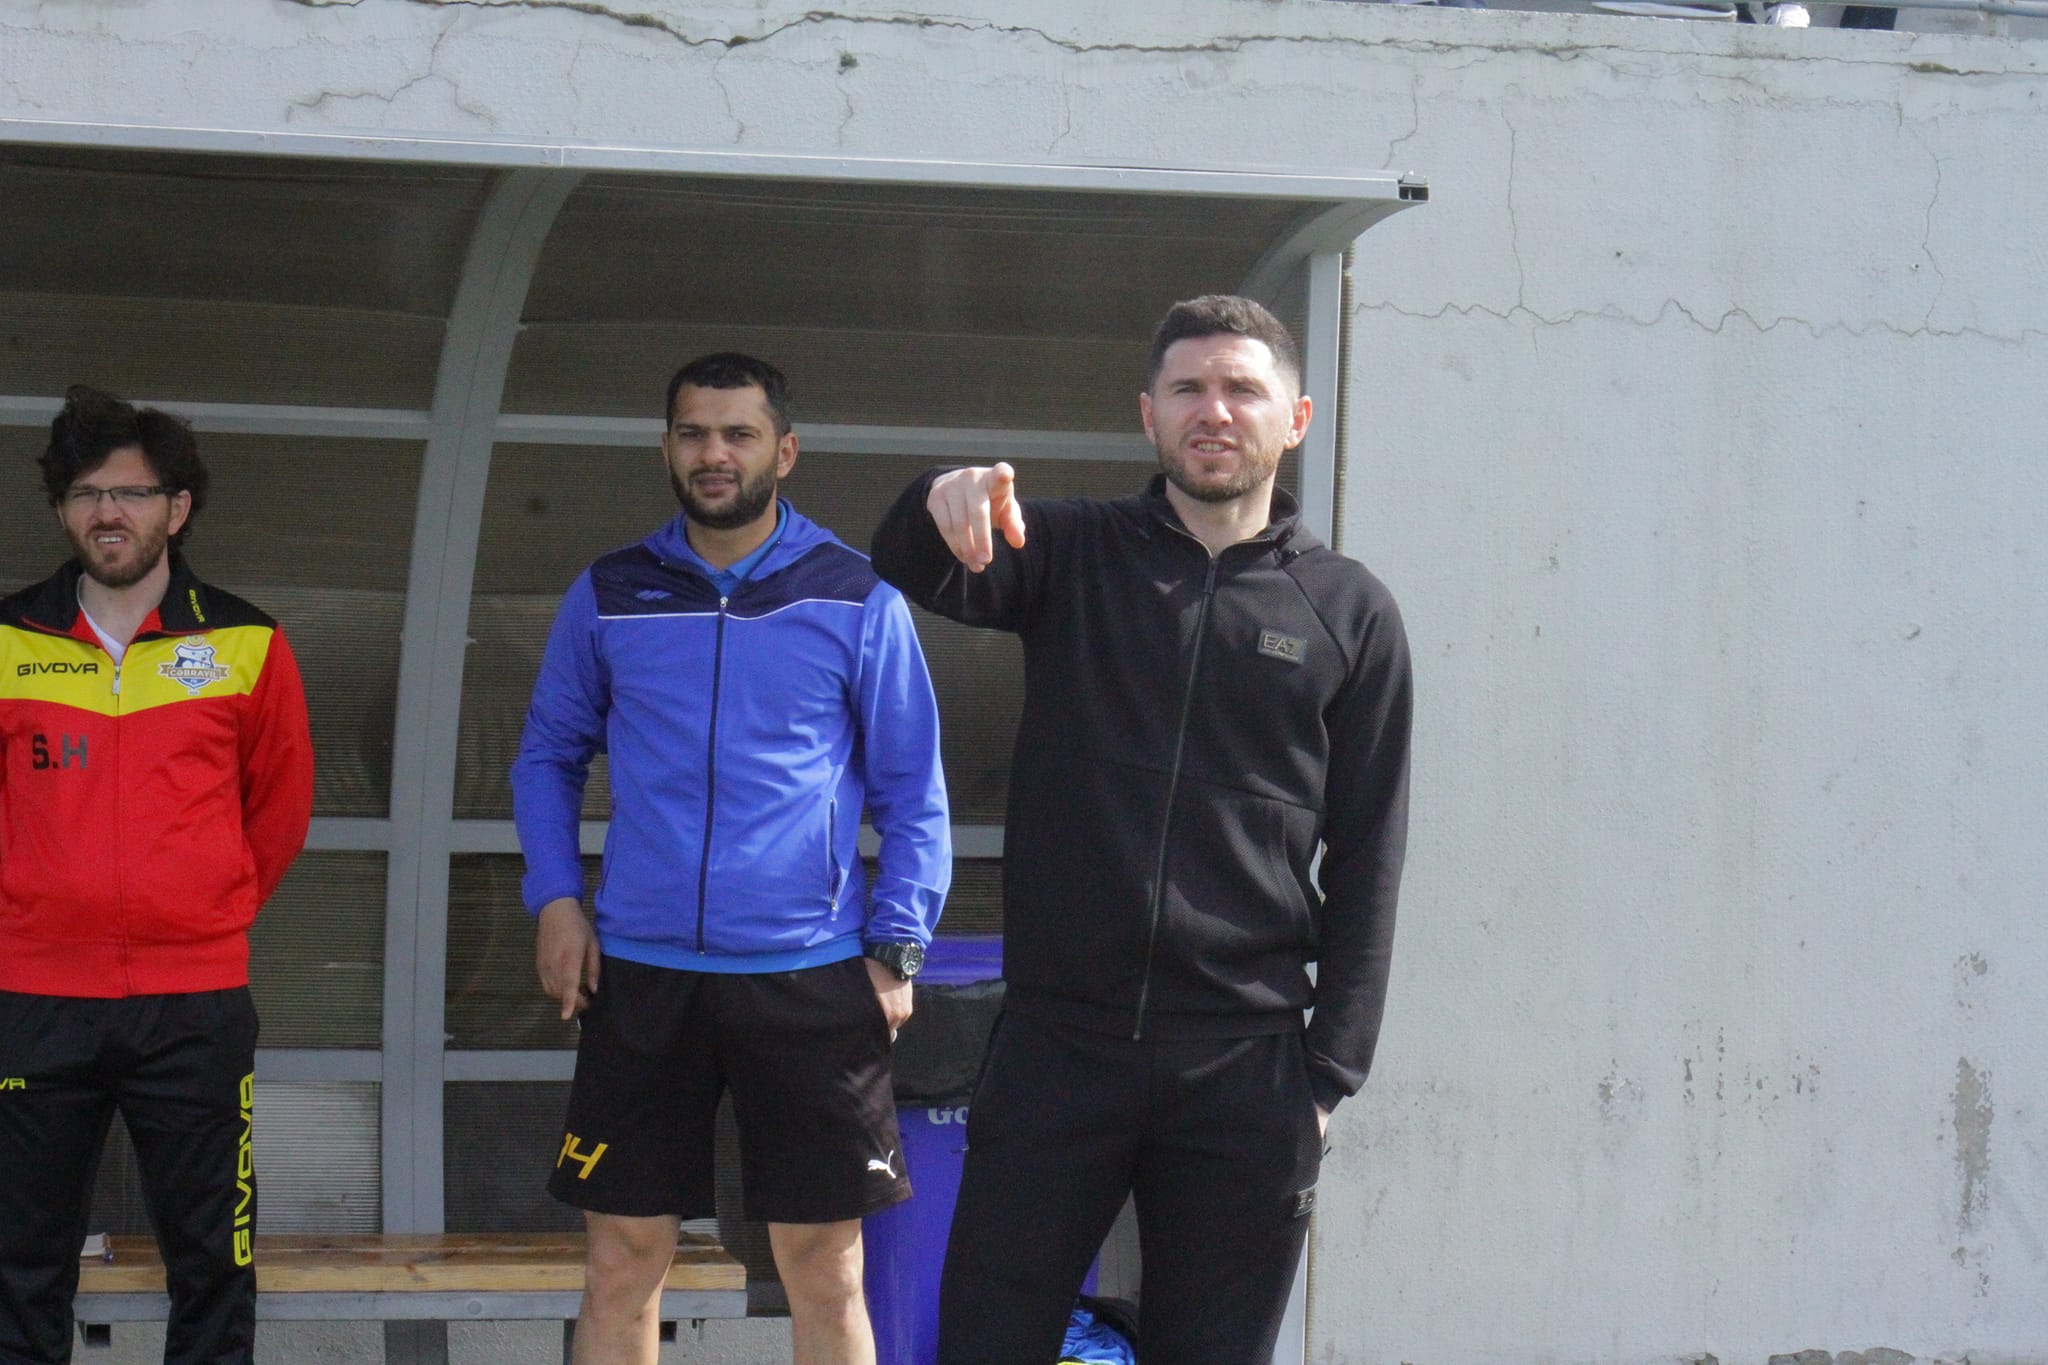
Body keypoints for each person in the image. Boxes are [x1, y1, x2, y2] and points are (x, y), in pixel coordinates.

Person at [872, 296, 1413, 1365]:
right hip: (1057, 1045)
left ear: (1295, 418)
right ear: (1148, 415)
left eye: (1242, 389)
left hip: (1246, 1064)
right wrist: (937, 495)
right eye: (1187, 389)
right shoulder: (1071, 551)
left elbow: (1370, 853)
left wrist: (1325, 1078)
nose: (1215, 411)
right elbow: (913, 561)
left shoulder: (1349, 612)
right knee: (985, 1342)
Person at [512, 352, 951, 1365]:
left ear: (783, 451)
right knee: (621, 1260)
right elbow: (545, 755)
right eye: (694, 433)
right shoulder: (611, 590)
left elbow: (913, 788)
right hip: (642, 971)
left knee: (824, 1266)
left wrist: (898, 946)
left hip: (809, 974)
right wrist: (557, 899)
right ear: (666, 448)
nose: (715, 454)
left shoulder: (856, 595)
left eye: (739, 434)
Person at [0, 386, 315, 1365]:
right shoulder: (9, 639)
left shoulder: (246, 643)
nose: (108, 513)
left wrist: (205, 913)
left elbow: (279, 809)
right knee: (19, 1267)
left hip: (194, 1005)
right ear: (62, 509)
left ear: (176, 508)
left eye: (131, 493)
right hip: (33, 998)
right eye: (86, 493)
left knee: (214, 1265)